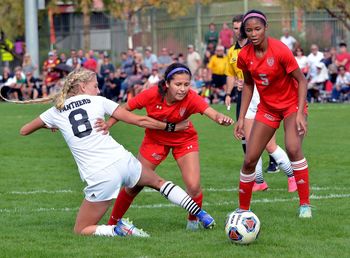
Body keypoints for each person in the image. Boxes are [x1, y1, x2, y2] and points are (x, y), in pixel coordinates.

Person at [17, 68, 216, 238]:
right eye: (95, 86)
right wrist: (172, 127)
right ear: (82, 87)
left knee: (81, 229)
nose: (98, 89)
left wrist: (55, 125)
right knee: (159, 183)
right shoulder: (99, 102)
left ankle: (117, 230)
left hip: (100, 174)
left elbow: (24, 130)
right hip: (123, 160)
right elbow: (140, 121)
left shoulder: (56, 111)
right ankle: (201, 214)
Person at [98, 63, 233, 231]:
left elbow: (211, 112)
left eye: (186, 84)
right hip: (155, 140)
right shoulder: (151, 94)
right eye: (178, 84)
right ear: (167, 83)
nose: (183, 89)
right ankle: (112, 224)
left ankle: (193, 223)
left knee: (194, 186)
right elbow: (125, 108)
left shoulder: (191, 97)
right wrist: (108, 123)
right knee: (134, 185)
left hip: (184, 139)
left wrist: (220, 118)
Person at [234, 10, 311, 218]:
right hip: (268, 108)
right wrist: (241, 118)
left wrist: (301, 114)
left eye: (257, 29)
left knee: (293, 148)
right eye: (248, 30)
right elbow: (249, 84)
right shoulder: (244, 55)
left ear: (266, 28)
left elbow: (302, 81)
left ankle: (305, 205)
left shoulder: (280, 50)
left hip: (291, 105)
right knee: (250, 159)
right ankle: (243, 210)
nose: (253, 33)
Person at [225, 14, 296, 193]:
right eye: (236, 28)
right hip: (245, 97)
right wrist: (230, 91)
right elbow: (233, 75)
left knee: (268, 145)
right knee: (250, 143)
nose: (239, 31)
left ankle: (292, 176)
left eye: (240, 27)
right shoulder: (233, 51)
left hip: (260, 96)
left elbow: (263, 74)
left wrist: (250, 82)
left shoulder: (259, 46)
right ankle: (260, 181)